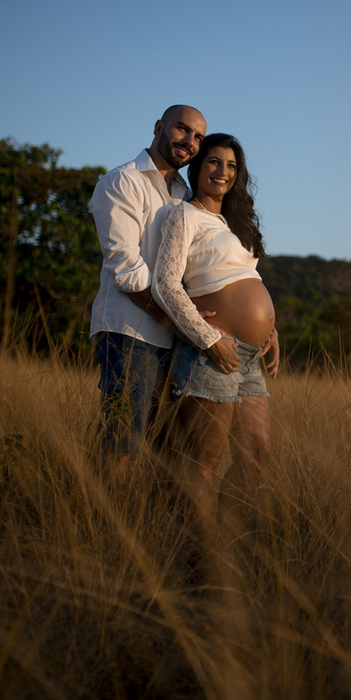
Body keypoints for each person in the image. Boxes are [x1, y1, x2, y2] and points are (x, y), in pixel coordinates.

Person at [152, 133, 280, 521]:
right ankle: (195, 547)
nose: (222, 171)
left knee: (256, 450)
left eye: (231, 165)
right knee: (204, 456)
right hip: (212, 352)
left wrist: (270, 331)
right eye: (213, 161)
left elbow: (245, 278)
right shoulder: (185, 215)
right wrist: (209, 340)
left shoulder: (233, 224)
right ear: (197, 167)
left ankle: (224, 540)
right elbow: (165, 283)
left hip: (250, 357)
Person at [89, 105, 208, 489]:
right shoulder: (123, 181)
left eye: (198, 137)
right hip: (130, 330)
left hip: (175, 339)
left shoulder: (186, 195)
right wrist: (179, 321)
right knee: (122, 440)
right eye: (182, 129)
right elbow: (126, 267)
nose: (190, 142)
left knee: (166, 446)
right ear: (159, 127)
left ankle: (145, 520)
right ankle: (106, 520)